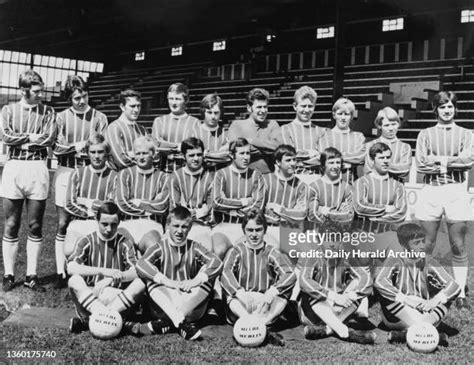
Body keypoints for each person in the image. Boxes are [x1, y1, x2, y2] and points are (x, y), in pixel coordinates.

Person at [415, 91, 473, 310]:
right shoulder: (425, 134)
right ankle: (422, 286)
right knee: (426, 244)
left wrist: (437, 161)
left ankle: (459, 291)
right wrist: (451, 161)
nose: (447, 110)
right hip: (431, 189)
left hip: (456, 190)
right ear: (435, 109)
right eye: (442, 107)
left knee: (457, 243)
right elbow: (421, 165)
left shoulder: (467, 134)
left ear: (455, 109)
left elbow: (468, 161)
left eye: (450, 106)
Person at [1, 69, 56, 292]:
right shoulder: (8, 110)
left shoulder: (48, 111)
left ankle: (31, 275)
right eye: (36, 91)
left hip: (37, 168)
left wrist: (23, 141)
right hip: (14, 167)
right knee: (11, 224)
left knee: (35, 224)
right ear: (24, 90)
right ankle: (9, 274)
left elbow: (49, 138)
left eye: (41, 90)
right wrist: (30, 139)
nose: (41, 94)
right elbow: (5, 135)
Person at [53, 75, 108, 288]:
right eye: (76, 98)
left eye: (84, 96)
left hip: (91, 170)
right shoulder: (61, 118)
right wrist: (77, 146)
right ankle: (61, 271)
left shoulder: (100, 117)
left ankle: (89, 268)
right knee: (63, 222)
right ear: (70, 98)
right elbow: (56, 148)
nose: (82, 101)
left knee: (92, 218)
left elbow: (102, 146)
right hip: (67, 170)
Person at [135, 206, 222, 340]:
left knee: (208, 275)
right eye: (176, 226)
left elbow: (217, 263)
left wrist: (195, 281)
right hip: (164, 304)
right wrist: (167, 281)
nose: (180, 231)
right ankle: (181, 323)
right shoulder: (159, 247)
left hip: (190, 303)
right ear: (168, 225)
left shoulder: (194, 247)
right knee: (150, 275)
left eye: (184, 227)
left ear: (190, 227)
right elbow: (140, 264)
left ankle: (169, 323)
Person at [374, 223, 460, 345]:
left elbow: (454, 286)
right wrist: (406, 300)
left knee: (448, 296)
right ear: (404, 245)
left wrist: (433, 301)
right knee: (384, 292)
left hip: (425, 314)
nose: (422, 246)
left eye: (423, 241)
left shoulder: (430, 262)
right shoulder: (395, 260)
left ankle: (409, 334)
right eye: (416, 243)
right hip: (398, 316)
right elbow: (379, 281)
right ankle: (424, 331)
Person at [67, 202, 145, 334]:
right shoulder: (86, 241)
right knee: (73, 280)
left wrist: (111, 279)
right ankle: (119, 322)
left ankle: (90, 321)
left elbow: (136, 271)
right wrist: (103, 271)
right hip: (91, 297)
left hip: (118, 299)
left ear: (119, 223)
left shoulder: (125, 243)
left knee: (141, 283)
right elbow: (71, 268)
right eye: (104, 224)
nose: (109, 229)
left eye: (113, 224)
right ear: (97, 221)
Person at [221, 209, 296, 332]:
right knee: (229, 291)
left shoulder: (271, 252)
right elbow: (225, 273)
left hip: (264, 305)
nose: (254, 234)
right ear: (244, 230)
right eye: (250, 230)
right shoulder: (236, 251)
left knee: (284, 292)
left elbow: (290, 275)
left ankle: (255, 325)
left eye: (258, 229)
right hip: (242, 303)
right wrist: (241, 294)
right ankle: (255, 324)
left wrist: (271, 294)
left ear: (264, 230)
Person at [298, 237, 376, 344]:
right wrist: (333, 296)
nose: (332, 244)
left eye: (336, 240)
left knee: (358, 287)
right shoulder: (312, 256)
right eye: (328, 239)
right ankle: (346, 332)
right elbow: (303, 281)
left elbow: (366, 278)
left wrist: (353, 295)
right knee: (312, 291)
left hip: (338, 310)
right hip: (313, 313)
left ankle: (327, 330)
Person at [63, 134, 117, 258]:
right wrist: (89, 213)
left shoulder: (114, 176)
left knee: (100, 254)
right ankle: (73, 275)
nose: (96, 156)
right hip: (79, 221)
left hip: (102, 225)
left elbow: (111, 206)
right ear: (87, 153)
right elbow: (70, 203)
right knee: (69, 250)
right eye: (93, 152)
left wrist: (86, 202)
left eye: (100, 152)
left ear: (106, 153)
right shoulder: (77, 173)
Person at [212, 138, 265, 257]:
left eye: (248, 153)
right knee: (218, 250)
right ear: (232, 155)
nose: (246, 157)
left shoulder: (257, 175)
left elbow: (257, 207)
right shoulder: (221, 174)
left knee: (242, 252)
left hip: (247, 228)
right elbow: (216, 202)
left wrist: (230, 209)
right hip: (224, 226)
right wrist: (244, 202)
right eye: (241, 153)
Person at [116, 136, 169, 255]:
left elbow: (162, 207)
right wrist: (149, 208)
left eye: (145, 153)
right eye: (138, 153)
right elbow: (122, 204)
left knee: (153, 247)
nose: (141, 157)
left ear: (154, 155)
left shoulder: (164, 177)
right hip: (127, 223)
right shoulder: (124, 174)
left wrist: (138, 202)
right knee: (120, 246)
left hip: (152, 224)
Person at [169, 137, 214, 250]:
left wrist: (198, 213)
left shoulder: (210, 177)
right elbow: (174, 208)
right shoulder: (176, 176)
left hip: (201, 226)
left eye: (199, 155)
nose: (196, 159)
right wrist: (200, 211)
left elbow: (211, 208)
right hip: (179, 225)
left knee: (205, 248)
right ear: (184, 156)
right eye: (191, 155)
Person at [353, 142, 407, 233]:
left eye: (388, 157)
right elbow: (359, 207)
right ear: (372, 160)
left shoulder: (398, 185)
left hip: (387, 235)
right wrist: (386, 208)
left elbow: (401, 213)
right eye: (381, 158)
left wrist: (377, 218)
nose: (385, 161)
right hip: (364, 234)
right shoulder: (362, 182)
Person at [263, 144, 308, 251]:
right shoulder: (265, 180)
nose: (293, 163)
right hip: (267, 230)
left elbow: (300, 216)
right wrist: (289, 214)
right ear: (278, 162)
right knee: (272, 250)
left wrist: (278, 209)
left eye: (294, 160)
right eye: (288, 160)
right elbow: (259, 210)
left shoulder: (302, 185)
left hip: (290, 231)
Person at [227, 88, 282, 174]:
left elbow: (278, 148)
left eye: (265, 107)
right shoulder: (237, 125)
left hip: (268, 177)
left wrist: (250, 141)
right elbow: (234, 151)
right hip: (244, 176)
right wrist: (266, 149)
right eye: (259, 107)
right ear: (249, 108)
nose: (263, 111)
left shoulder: (272, 124)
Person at [281, 86, 326, 184]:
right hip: (293, 180)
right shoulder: (285, 129)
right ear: (295, 106)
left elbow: (323, 159)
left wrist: (300, 158)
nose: (307, 110)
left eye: (310, 106)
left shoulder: (321, 131)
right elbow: (288, 156)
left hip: (316, 179)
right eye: (303, 106)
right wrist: (310, 153)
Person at [152, 83, 199, 172]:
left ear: (186, 100)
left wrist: (166, 145)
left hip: (186, 173)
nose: (173, 103)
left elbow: (193, 150)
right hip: (163, 172)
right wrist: (179, 146)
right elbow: (157, 146)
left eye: (177, 99)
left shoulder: (194, 123)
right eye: (171, 99)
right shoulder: (159, 121)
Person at [318, 97, 365, 184]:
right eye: (340, 114)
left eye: (346, 114)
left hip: (350, 183)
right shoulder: (325, 135)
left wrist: (335, 160)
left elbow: (360, 157)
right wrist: (348, 162)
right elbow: (323, 158)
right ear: (334, 115)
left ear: (351, 116)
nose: (343, 118)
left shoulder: (358, 136)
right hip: (328, 183)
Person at [307, 147, 354, 226]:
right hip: (318, 233)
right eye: (331, 163)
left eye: (338, 163)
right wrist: (337, 213)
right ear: (323, 165)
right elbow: (312, 215)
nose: (335, 167)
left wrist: (325, 211)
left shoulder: (347, 188)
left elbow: (349, 217)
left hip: (341, 234)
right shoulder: (314, 187)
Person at [105, 89, 148, 171]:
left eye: (138, 106)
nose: (136, 110)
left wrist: (131, 154)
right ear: (122, 107)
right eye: (132, 106)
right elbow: (120, 160)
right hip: (121, 178)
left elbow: (153, 156)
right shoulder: (114, 128)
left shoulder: (143, 130)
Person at [364, 107, 411, 182]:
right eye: (387, 125)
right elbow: (369, 169)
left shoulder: (405, 147)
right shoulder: (370, 145)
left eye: (393, 124)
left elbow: (405, 170)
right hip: (375, 187)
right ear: (379, 126)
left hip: (396, 188)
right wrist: (395, 168)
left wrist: (380, 166)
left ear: (398, 124)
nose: (391, 128)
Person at [192, 93, 231, 170]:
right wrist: (218, 155)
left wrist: (206, 154)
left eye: (216, 113)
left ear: (221, 113)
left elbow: (228, 157)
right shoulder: (194, 133)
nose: (213, 116)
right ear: (203, 112)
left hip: (219, 176)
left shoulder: (226, 134)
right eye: (209, 112)